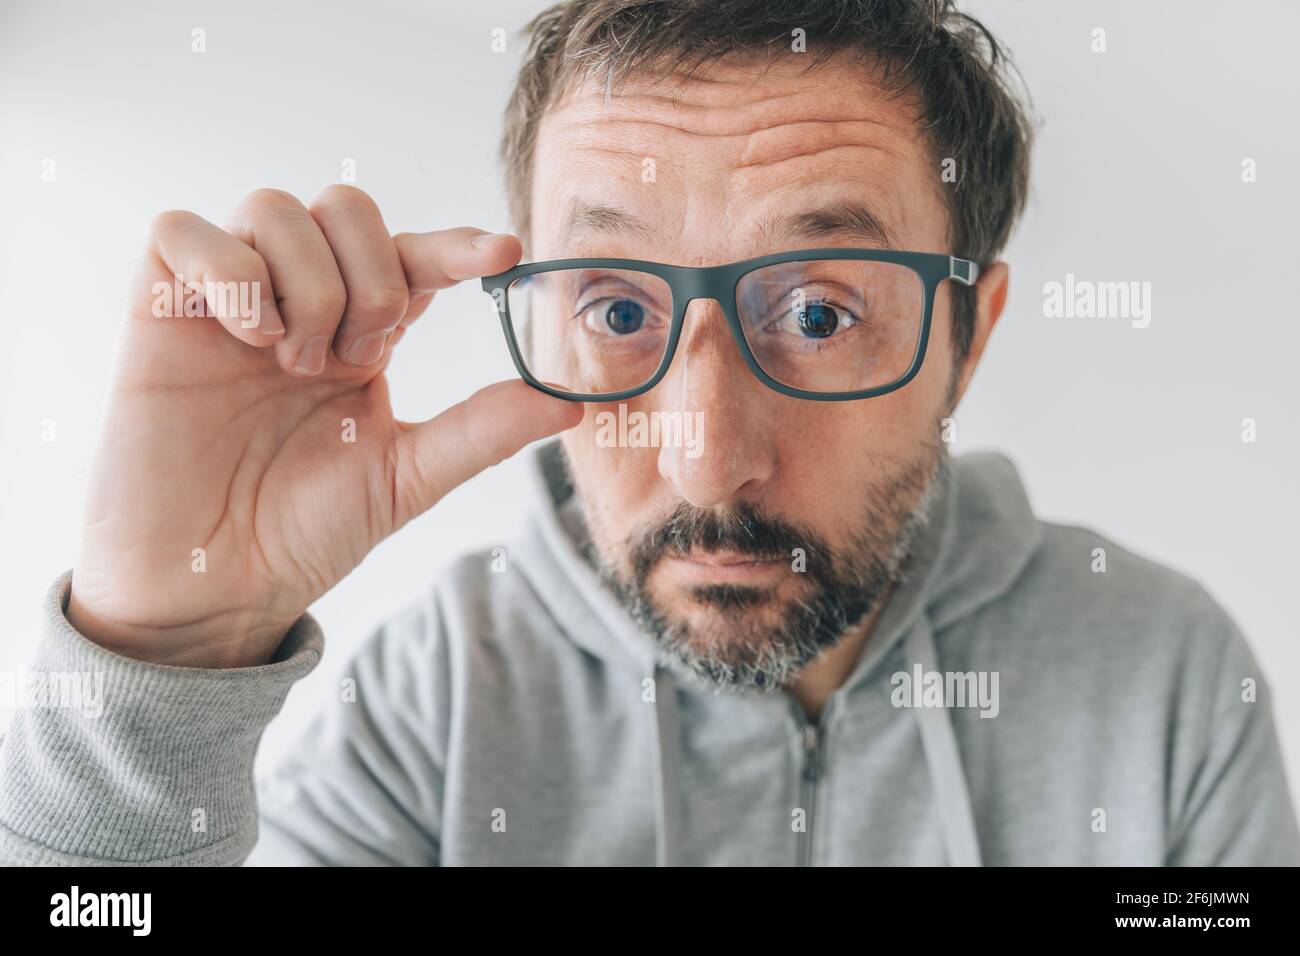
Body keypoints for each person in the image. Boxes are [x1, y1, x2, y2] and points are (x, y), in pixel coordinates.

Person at [1, 0, 1296, 866]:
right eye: (618, 305)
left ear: (971, 336)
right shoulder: (436, 711)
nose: (706, 456)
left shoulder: (1166, 682)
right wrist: (159, 664)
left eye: (820, 310)